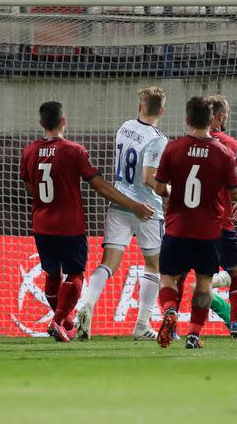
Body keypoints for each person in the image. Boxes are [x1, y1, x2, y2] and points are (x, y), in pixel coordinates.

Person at [20, 101, 155, 342]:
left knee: (52, 275)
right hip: (69, 225)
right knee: (75, 274)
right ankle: (58, 321)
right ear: (64, 121)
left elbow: (30, 185)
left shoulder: (29, 151)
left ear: (41, 123)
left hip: (41, 224)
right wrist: (133, 205)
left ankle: (64, 323)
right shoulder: (74, 150)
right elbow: (100, 186)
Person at [153, 97, 237, 350]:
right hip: (211, 230)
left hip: (177, 227)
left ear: (187, 119)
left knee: (169, 277)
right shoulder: (225, 151)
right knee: (205, 283)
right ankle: (195, 334)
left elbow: (159, 188)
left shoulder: (173, 148)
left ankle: (170, 312)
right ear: (213, 118)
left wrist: (174, 191)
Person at [77, 86, 169, 342]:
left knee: (108, 264)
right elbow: (149, 178)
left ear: (140, 107)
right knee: (154, 266)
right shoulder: (158, 139)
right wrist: (171, 190)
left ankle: (87, 305)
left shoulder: (124, 127)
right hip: (147, 210)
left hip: (119, 204)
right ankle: (141, 325)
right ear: (161, 110)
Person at [203, 94, 237, 340]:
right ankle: (235, 324)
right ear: (221, 117)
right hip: (220, 222)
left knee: (178, 276)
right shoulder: (231, 145)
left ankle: (182, 326)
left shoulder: (185, 143)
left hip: (186, 224)